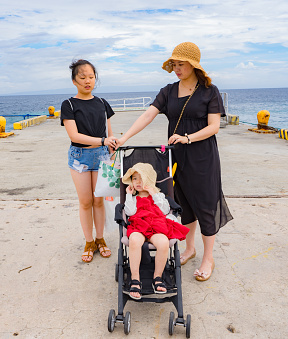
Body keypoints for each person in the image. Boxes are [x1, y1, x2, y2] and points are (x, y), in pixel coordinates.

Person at [116, 42, 233, 281]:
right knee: (183, 204)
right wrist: (124, 137)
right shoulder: (168, 91)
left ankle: (208, 257)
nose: (176, 69)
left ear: (194, 65)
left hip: (203, 157)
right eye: (174, 65)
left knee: (205, 205)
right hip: (175, 156)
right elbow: (148, 114)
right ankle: (189, 249)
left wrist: (188, 138)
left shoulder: (209, 91)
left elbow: (214, 127)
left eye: (181, 65)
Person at [60, 59, 119, 263]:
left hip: (103, 155)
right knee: (86, 202)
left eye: (91, 77)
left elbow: (109, 132)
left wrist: (112, 146)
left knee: (99, 201)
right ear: (74, 81)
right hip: (80, 158)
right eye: (83, 77)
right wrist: (102, 140)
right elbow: (74, 136)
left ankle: (100, 239)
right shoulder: (68, 104)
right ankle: (88, 241)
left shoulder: (102, 103)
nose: (88, 81)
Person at [122, 163, 189, 299]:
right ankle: (135, 279)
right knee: (134, 239)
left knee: (164, 242)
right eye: (134, 179)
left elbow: (164, 210)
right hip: (139, 226)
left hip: (156, 227)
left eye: (142, 178)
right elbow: (130, 212)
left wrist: (154, 194)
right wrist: (128, 195)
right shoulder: (133, 198)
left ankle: (157, 277)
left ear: (150, 180)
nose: (138, 182)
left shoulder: (159, 196)